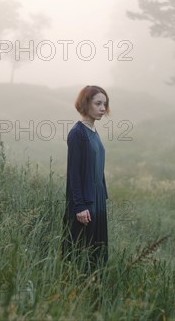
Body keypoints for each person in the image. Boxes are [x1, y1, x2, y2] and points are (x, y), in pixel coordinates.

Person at [62, 85, 110, 270]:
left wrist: (102, 195)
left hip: (97, 198)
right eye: (98, 103)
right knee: (81, 253)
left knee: (97, 252)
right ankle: (76, 289)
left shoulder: (93, 131)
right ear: (85, 103)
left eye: (104, 104)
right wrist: (79, 206)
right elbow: (73, 173)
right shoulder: (77, 134)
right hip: (85, 202)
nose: (103, 109)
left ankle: (96, 289)